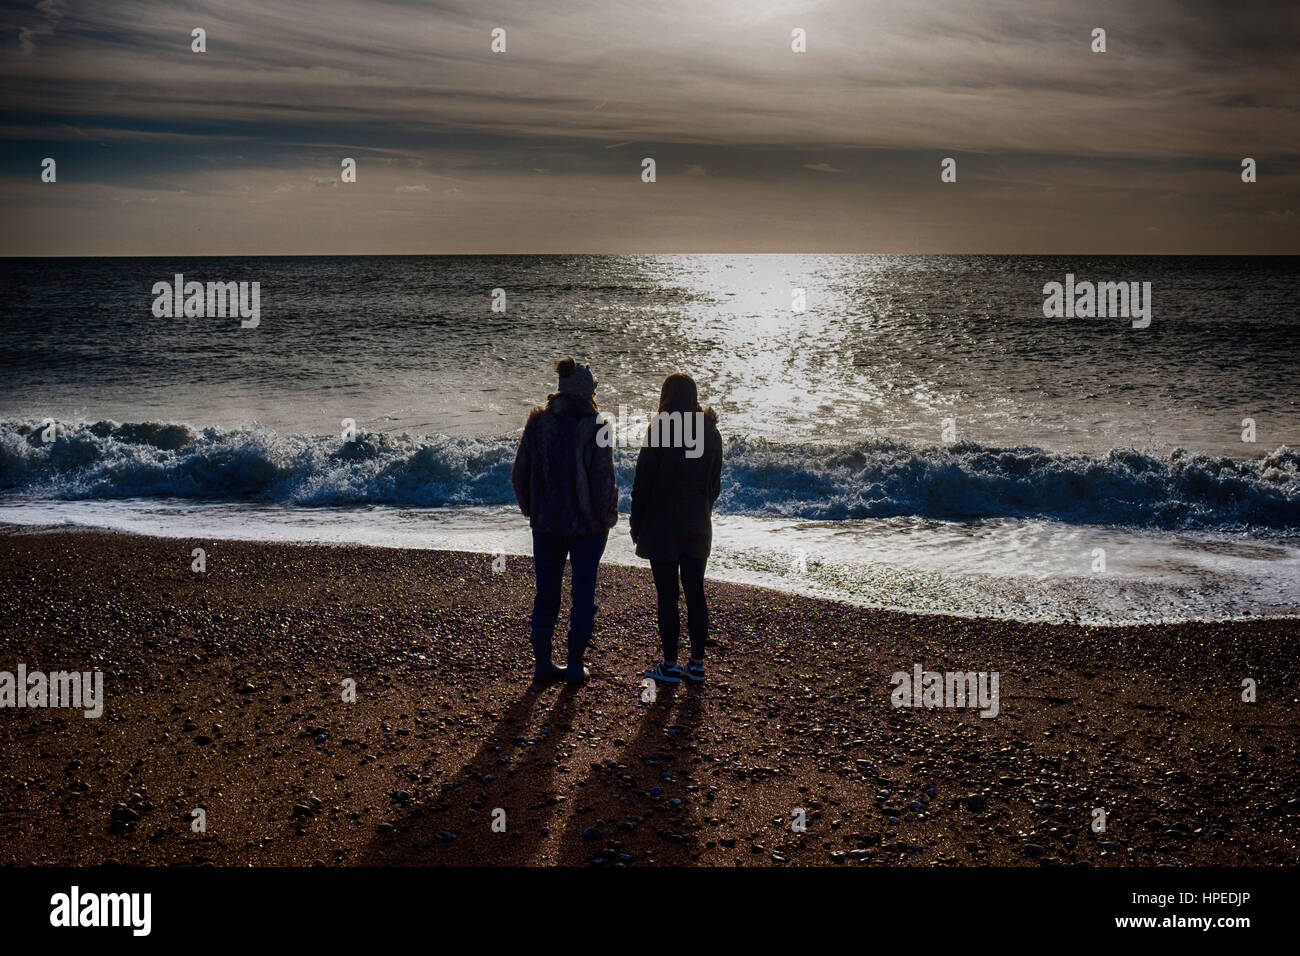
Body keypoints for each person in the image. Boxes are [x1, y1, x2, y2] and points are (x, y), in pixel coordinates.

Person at [512, 358, 618, 685]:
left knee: (547, 592)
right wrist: (608, 516)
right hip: (587, 527)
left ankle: (542, 664)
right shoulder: (597, 425)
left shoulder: (538, 423)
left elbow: (519, 474)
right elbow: (603, 481)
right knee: (583, 592)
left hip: (546, 525)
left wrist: (533, 510)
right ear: (587, 392)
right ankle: (574, 664)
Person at [630, 373, 722, 684]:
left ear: (666, 398)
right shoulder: (711, 432)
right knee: (695, 592)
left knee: (667, 594)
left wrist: (636, 520)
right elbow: (714, 485)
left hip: (662, 522)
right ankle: (696, 664)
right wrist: (701, 506)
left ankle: (669, 664)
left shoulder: (661, 429)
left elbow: (643, 481)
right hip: (697, 522)